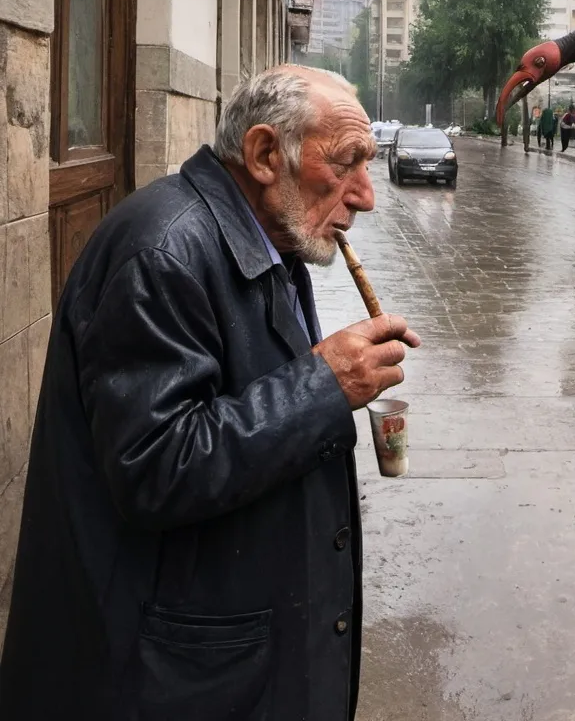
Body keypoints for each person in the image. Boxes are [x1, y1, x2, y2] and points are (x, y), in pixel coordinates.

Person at [0, 66, 421, 720]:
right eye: (346, 164)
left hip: (226, 653)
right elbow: (155, 468)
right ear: (261, 154)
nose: (365, 195)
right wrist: (324, 384)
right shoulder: (161, 251)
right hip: (169, 678)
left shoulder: (275, 237)